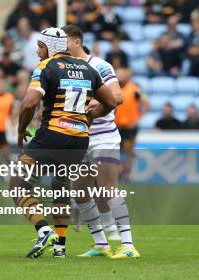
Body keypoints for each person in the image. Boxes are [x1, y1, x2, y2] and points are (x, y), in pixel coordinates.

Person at [12, 27, 116, 258]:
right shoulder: (88, 68)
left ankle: (44, 230)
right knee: (60, 188)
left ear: (51, 46)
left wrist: (20, 131)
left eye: (40, 46)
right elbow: (110, 101)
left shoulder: (46, 66)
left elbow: (29, 103)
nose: (37, 51)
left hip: (52, 135)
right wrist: (90, 116)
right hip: (79, 140)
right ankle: (60, 247)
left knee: (18, 181)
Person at [63, 25, 140, 259]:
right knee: (81, 193)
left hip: (103, 136)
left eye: (64, 42)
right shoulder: (64, 69)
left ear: (77, 42)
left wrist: (92, 110)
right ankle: (101, 244)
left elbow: (117, 96)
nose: (60, 47)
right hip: (79, 139)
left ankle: (128, 244)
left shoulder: (100, 66)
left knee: (107, 189)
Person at [114, 67, 150, 182]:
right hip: (115, 125)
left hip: (130, 126)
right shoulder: (113, 89)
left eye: (121, 74)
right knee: (115, 151)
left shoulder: (134, 89)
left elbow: (146, 103)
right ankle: (117, 173)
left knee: (129, 150)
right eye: (117, 74)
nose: (119, 76)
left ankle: (128, 174)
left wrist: (137, 119)